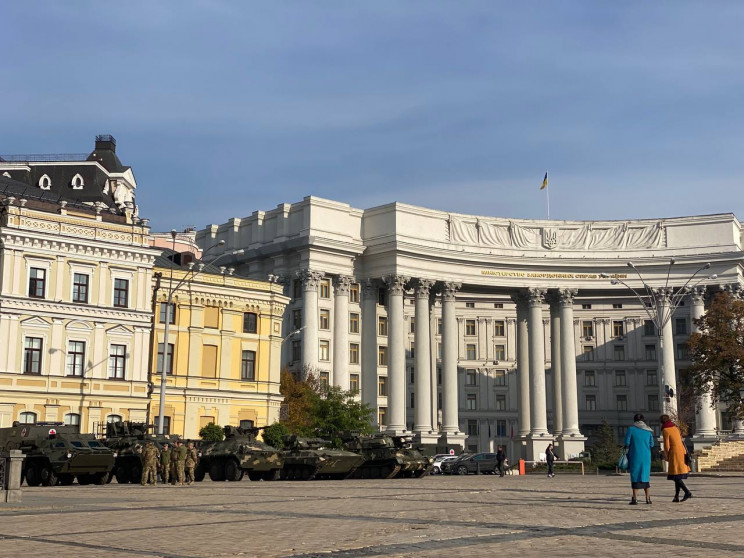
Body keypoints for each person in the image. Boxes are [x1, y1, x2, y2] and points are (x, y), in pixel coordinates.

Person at [624, 413, 655, 505]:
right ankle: (648, 499)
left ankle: (635, 499)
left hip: (635, 455)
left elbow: (627, 442)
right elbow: (652, 444)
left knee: (635, 476)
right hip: (646, 456)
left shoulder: (631, 429)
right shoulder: (648, 431)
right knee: (645, 477)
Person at [661, 414, 692, 502]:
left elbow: (666, 445)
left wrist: (666, 455)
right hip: (682, 451)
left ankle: (687, 492)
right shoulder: (675, 428)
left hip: (674, 452)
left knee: (675, 475)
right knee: (677, 474)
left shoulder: (665, 430)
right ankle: (676, 496)